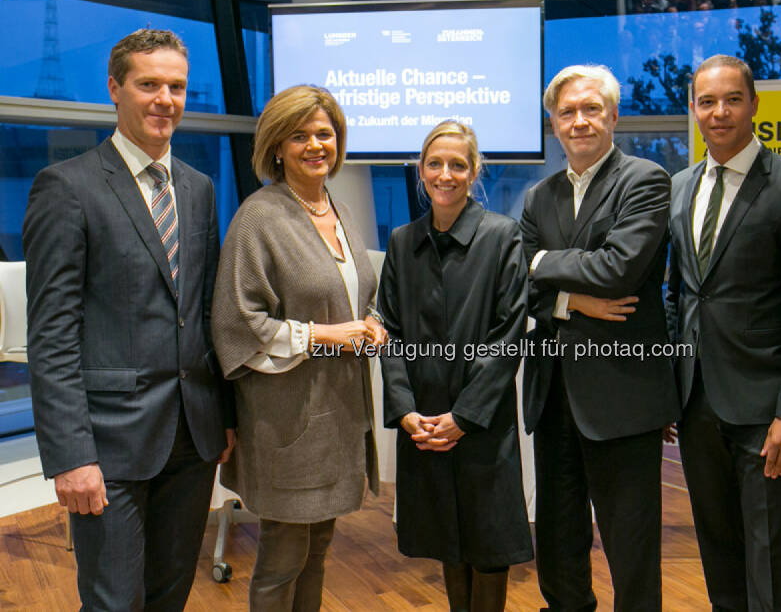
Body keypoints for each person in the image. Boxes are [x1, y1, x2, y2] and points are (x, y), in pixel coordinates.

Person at [23, 28, 235, 610]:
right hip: (108, 446)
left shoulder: (198, 188)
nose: (165, 99)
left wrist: (226, 417)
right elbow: (52, 335)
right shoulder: (66, 187)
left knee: (169, 595)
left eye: (176, 86)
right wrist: (71, 455)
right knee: (114, 601)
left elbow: (205, 312)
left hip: (192, 437)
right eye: (149, 85)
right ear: (115, 89)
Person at [664, 54, 781, 611]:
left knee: (769, 552)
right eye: (707, 102)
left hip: (765, 408)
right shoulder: (680, 186)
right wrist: (669, 387)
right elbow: (678, 293)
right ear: (693, 109)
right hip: (695, 402)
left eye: (732, 99)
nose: (719, 112)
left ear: (755, 105)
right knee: (717, 546)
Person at [211, 84, 384, 611]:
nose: (315, 145)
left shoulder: (339, 210)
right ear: (277, 146)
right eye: (300, 135)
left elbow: (358, 295)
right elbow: (237, 323)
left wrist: (371, 322)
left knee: (320, 549)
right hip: (286, 418)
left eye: (325, 134)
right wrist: (325, 335)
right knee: (283, 557)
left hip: (338, 412)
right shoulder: (258, 216)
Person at [520, 64, 680, 611]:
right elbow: (515, 286)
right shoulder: (537, 197)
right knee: (560, 539)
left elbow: (618, 270)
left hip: (623, 395)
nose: (580, 121)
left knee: (630, 545)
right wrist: (569, 299)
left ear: (613, 115)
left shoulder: (645, 180)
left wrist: (541, 260)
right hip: (554, 396)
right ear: (553, 122)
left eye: (592, 109)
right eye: (567, 112)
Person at [378, 121, 533, 612]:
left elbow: (508, 334)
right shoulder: (402, 242)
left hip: (481, 421)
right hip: (423, 419)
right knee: (446, 536)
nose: (445, 174)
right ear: (421, 170)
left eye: (458, 165)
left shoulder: (502, 236)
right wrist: (404, 411)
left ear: (474, 172)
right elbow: (390, 333)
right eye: (435, 164)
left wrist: (464, 418)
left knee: (489, 542)